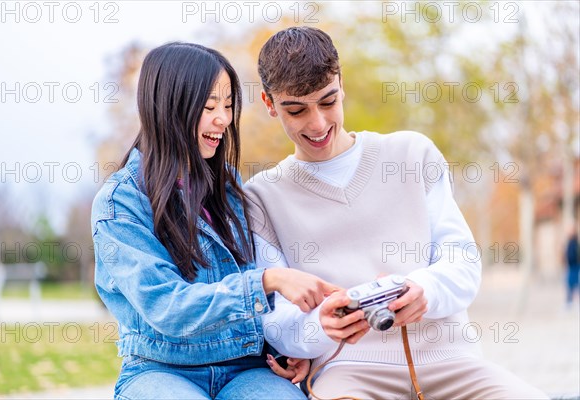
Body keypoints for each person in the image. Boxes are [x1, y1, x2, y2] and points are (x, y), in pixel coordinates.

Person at [244, 26, 549, 399]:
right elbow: (276, 321)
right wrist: (320, 328)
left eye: (328, 101)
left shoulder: (411, 154)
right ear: (269, 103)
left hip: (451, 360)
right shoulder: (261, 197)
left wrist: (427, 290)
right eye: (296, 110)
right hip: (348, 372)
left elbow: (463, 261)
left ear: (342, 85)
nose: (318, 124)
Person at [90, 41, 337, 400]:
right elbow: (167, 307)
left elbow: (263, 286)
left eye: (228, 105)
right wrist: (266, 282)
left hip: (246, 367)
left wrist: (289, 350)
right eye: (208, 107)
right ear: (168, 108)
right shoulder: (120, 203)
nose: (223, 119)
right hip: (160, 369)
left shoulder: (231, 188)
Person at [565, 229, 580, 307]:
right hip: (573, 266)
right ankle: (570, 299)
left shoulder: (574, 243)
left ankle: (570, 300)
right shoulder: (572, 243)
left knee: (573, 283)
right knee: (571, 283)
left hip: (575, 266)